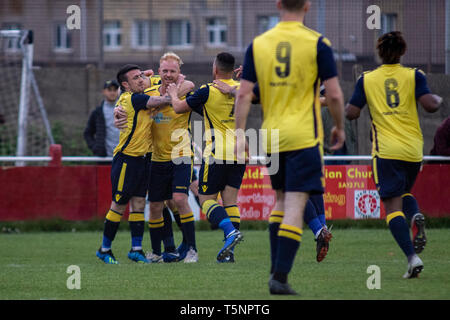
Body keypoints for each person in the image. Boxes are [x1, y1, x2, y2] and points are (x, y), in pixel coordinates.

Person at [234, 0, 345, 295]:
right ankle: (280, 278)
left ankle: (275, 270)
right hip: (304, 137)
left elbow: (244, 94)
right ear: (307, 6)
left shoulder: (259, 44)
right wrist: (339, 125)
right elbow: (333, 94)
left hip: (271, 137)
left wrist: (239, 134)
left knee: (281, 202)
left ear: (278, 4)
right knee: (296, 204)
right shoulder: (317, 43)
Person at [345, 31, 442, 278]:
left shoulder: (367, 79)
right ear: (403, 51)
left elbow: (351, 113)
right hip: (412, 150)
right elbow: (430, 105)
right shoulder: (414, 75)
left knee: (391, 207)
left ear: (379, 52)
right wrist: (438, 99)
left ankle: (412, 258)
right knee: (403, 193)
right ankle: (415, 214)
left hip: (386, 150)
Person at [167, 52, 245, 263]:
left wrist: (174, 92)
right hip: (240, 152)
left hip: (217, 153)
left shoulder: (207, 90)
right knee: (230, 201)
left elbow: (178, 107)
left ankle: (230, 233)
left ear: (215, 68)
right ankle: (229, 254)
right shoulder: (241, 90)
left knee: (206, 200)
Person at [95, 64, 172, 264]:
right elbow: (160, 100)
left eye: (140, 76)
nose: (140, 80)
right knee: (118, 205)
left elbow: (155, 79)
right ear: (125, 85)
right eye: (135, 78)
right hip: (127, 160)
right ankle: (104, 249)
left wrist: (149, 74)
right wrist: (173, 95)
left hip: (143, 160)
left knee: (138, 204)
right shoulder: (134, 98)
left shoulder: (133, 94)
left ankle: (135, 249)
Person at [84, 80, 120, 160]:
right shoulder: (97, 112)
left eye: (115, 90)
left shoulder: (126, 109)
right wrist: (96, 148)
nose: (112, 92)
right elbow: (87, 133)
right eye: (109, 90)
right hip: (104, 158)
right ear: (104, 92)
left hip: (124, 157)